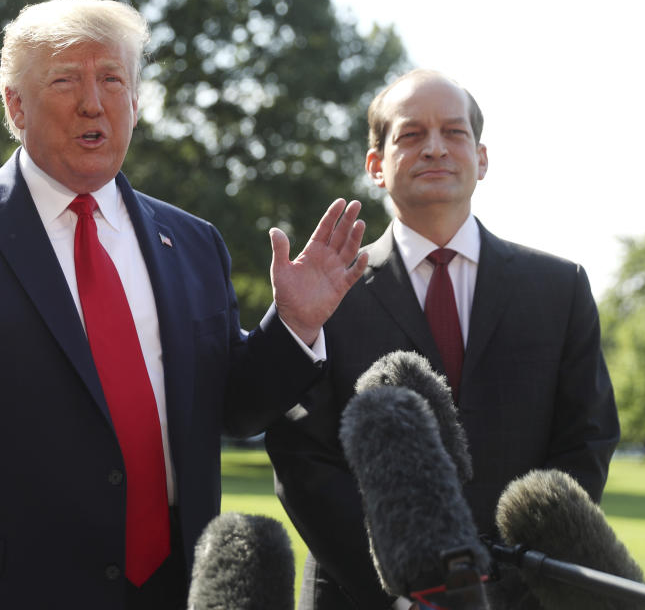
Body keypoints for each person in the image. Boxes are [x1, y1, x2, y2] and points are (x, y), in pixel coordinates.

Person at [0, 0, 368, 610]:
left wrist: (291, 327)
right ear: (15, 104)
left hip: (165, 590)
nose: (93, 101)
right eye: (65, 80)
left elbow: (231, 410)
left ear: (135, 101)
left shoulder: (191, 242)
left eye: (112, 79)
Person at [265, 69, 620, 609]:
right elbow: (302, 458)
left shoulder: (559, 287)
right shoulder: (323, 290)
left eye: (454, 133)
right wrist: (413, 591)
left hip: (521, 596)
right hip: (363, 595)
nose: (434, 148)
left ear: (481, 159)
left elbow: (586, 442)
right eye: (411, 135)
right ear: (376, 166)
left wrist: (515, 583)